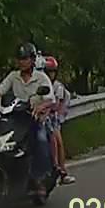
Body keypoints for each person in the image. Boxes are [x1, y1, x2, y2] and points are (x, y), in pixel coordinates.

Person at [0, 43, 56, 197]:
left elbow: (50, 99)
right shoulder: (13, 76)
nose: (22, 62)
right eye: (20, 59)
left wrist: (41, 106)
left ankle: (39, 178)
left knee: (41, 140)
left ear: (32, 60)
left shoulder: (41, 78)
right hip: (14, 118)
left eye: (25, 58)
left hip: (34, 119)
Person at [41, 56, 76, 185]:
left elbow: (56, 105)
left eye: (52, 71)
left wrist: (46, 108)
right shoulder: (37, 83)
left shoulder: (57, 87)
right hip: (37, 116)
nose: (50, 74)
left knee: (57, 141)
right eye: (48, 71)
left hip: (51, 118)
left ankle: (62, 171)